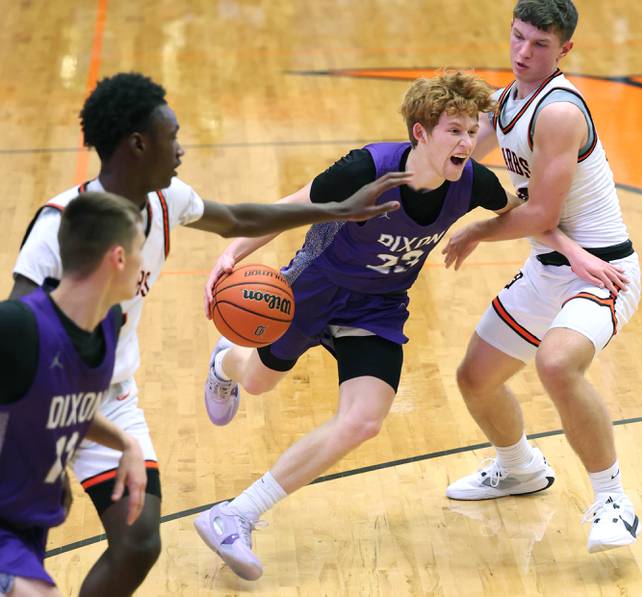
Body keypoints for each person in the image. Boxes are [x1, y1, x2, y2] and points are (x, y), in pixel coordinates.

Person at [194, 71, 622, 580]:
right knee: (258, 381)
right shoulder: (366, 168)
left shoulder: (471, 181)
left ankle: (236, 514)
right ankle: (227, 359)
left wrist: (576, 255)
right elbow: (287, 208)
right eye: (454, 131)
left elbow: (528, 214)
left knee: (364, 421)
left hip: (377, 309)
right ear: (420, 134)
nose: (467, 142)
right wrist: (231, 253)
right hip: (313, 294)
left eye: (470, 131)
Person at [9, 72, 403, 597]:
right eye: (172, 136)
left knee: (140, 543)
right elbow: (16, 345)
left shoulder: (166, 199)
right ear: (137, 144)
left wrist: (334, 211)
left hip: (112, 395)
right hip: (43, 400)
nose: (182, 148)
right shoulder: (60, 225)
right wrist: (48, 441)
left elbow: (237, 217)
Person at [441, 0, 642, 553]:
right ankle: (519, 467)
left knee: (557, 363)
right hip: (549, 265)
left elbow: (541, 216)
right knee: (475, 378)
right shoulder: (505, 101)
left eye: (540, 45)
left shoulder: (558, 111)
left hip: (602, 272)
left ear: (565, 51)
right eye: (518, 38)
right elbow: (453, 156)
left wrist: (474, 231)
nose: (524, 53)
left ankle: (612, 500)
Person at [0, 192, 148, 597]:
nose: (143, 265)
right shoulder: (17, 328)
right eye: (139, 252)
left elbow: (65, 408)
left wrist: (125, 443)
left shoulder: (108, 328)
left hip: (28, 524)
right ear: (118, 258)